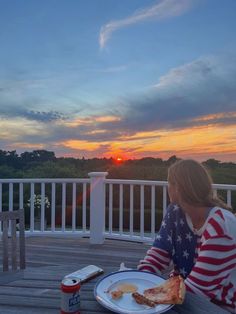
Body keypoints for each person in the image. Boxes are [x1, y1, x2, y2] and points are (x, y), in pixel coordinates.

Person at [138, 159, 236, 313]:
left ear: (178, 188)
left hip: (220, 305)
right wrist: (138, 281)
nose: (167, 187)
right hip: (181, 294)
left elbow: (197, 289)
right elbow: (159, 254)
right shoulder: (175, 212)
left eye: (169, 182)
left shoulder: (221, 226)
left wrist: (147, 296)